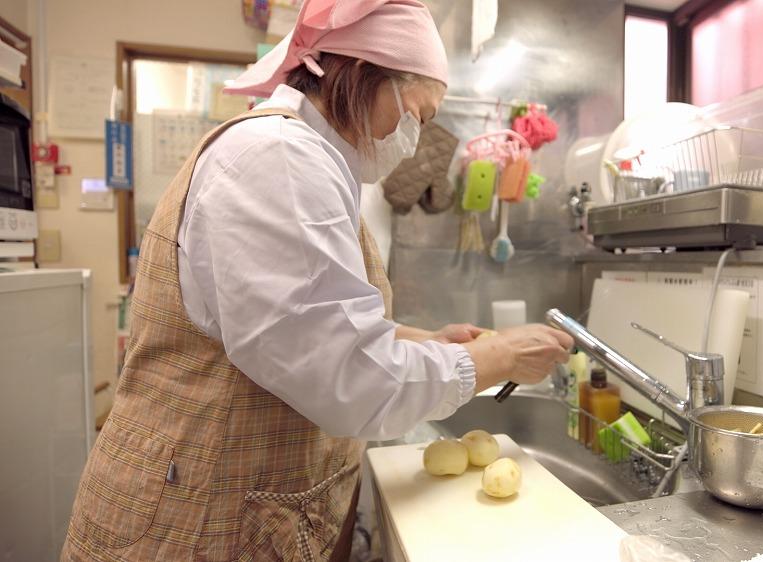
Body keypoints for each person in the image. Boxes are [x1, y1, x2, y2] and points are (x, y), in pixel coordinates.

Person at [61, 1, 572, 560]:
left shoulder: (310, 163)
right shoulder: (279, 159)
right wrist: (496, 360)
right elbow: (344, 375)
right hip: (186, 519)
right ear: (363, 74)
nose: (414, 137)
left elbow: (312, 326)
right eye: (417, 116)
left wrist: (422, 341)